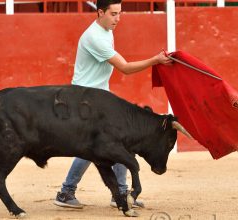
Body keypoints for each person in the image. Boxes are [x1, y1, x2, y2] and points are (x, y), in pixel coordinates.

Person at [53, 0, 172, 209]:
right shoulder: (94, 37)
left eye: (120, 14)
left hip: (98, 97)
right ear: (100, 13)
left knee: (118, 141)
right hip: (84, 100)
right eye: (113, 14)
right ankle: (66, 192)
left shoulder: (106, 30)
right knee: (93, 147)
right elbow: (124, 68)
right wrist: (155, 60)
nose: (118, 19)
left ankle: (120, 193)